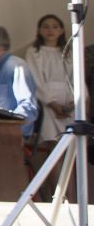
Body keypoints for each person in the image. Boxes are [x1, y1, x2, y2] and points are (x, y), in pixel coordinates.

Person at [25, 14, 74, 153]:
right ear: (39, 31)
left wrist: (72, 104)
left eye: (55, 27)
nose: (50, 30)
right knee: (53, 147)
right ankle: (57, 175)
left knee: (71, 147)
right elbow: (36, 80)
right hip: (47, 105)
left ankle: (72, 175)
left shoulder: (70, 52)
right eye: (45, 27)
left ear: (62, 31)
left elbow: (75, 79)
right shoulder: (34, 52)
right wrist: (52, 104)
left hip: (69, 102)